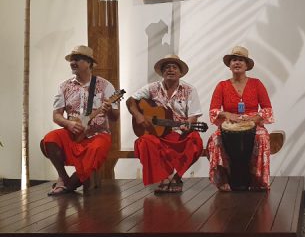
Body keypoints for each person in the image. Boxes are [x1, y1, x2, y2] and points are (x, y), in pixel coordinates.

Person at [41, 45, 120, 195]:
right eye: (72, 59)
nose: (72, 62)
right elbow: (56, 115)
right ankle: (64, 178)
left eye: (77, 59)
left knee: (96, 149)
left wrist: (109, 109)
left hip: (98, 134)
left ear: (89, 63)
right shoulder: (64, 86)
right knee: (50, 139)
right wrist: (69, 124)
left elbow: (115, 117)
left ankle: (70, 185)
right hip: (73, 133)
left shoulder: (105, 86)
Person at [126, 54, 203, 193]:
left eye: (174, 67)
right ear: (162, 72)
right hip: (157, 133)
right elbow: (130, 101)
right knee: (144, 141)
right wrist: (138, 115)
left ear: (180, 72)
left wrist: (188, 125)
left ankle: (177, 177)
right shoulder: (152, 88)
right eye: (167, 67)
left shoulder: (189, 90)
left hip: (178, 132)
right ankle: (164, 177)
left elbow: (193, 116)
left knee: (195, 140)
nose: (171, 70)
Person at [207, 46, 275, 191]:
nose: (237, 63)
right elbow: (213, 110)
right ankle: (224, 179)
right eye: (234, 60)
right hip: (230, 124)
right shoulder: (222, 85)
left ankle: (257, 180)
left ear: (246, 65)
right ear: (230, 65)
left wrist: (254, 119)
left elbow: (267, 108)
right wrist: (226, 114)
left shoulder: (256, 83)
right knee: (215, 139)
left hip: (253, 123)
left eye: (241, 60)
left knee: (262, 137)